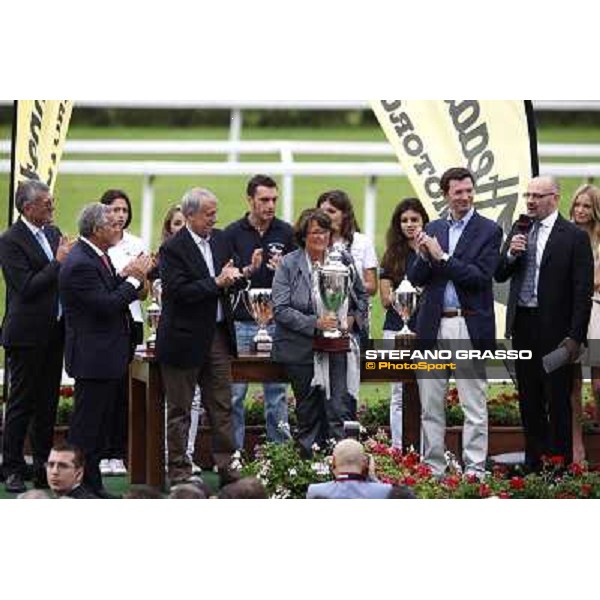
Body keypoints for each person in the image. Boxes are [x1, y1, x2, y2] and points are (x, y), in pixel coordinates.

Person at [408, 167, 502, 478]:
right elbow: (416, 278)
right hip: (432, 325)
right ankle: (434, 469)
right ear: (445, 194)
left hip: (468, 324)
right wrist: (423, 256)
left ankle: (474, 469)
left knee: (472, 404)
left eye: (468, 190)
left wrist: (443, 257)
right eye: (458, 192)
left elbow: (478, 278)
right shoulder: (434, 226)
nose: (464, 197)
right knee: (430, 406)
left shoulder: (489, 230)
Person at [495, 176, 594, 471]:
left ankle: (559, 467)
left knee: (557, 398)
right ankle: (533, 463)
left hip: (557, 332)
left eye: (537, 196)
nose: (530, 201)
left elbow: (582, 291)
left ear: (555, 198)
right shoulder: (520, 228)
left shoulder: (573, 236)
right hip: (523, 325)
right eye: (528, 195)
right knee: (529, 398)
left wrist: (575, 337)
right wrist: (512, 253)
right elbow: (499, 274)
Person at [59, 203, 152, 498]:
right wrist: (135, 278)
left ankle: (93, 483)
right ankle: (77, 487)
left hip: (104, 356)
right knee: (87, 427)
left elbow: (107, 289)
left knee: (98, 427)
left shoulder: (94, 255)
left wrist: (125, 275)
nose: (119, 228)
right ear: (97, 230)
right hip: (93, 358)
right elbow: (107, 304)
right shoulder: (81, 262)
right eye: (113, 225)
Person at [156, 188, 245, 488]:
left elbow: (225, 284)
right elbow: (178, 292)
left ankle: (227, 467)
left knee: (222, 405)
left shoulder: (220, 239)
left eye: (214, 212)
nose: (214, 219)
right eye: (208, 214)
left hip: (218, 336)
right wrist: (216, 282)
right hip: (183, 338)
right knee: (180, 409)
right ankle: (179, 470)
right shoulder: (173, 248)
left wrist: (241, 276)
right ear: (190, 215)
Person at [272, 208, 367, 457]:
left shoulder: (343, 260)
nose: (320, 237)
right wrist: (316, 323)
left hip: (338, 349)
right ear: (303, 235)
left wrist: (350, 318)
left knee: (339, 411)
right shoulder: (288, 264)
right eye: (315, 232)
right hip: (300, 349)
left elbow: (362, 298)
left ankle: (343, 467)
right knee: (308, 413)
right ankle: (307, 467)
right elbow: (280, 310)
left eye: (325, 231)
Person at [0, 180, 73, 494]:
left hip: (55, 332)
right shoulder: (10, 240)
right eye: (47, 203)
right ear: (28, 208)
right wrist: (58, 262)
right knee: (21, 403)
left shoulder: (54, 233)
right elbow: (27, 287)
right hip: (26, 334)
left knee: (47, 404)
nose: (52, 207)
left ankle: (44, 466)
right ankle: (12, 467)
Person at [224, 175, 295, 450]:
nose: (270, 205)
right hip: (241, 322)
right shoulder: (231, 233)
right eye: (264, 200)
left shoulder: (286, 233)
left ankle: (279, 455)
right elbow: (224, 276)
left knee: (277, 392)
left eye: (274, 200)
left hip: (276, 323)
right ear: (250, 200)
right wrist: (246, 272)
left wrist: (284, 271)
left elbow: (299, 276)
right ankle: (234, 455)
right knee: (234, 393)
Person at [99, 189, 149, 476]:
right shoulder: (98, 243)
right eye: (115, 210)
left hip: (131, 322)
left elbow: (142, 292)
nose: (120, 215)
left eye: (124, 210)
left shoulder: (136, 243)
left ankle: (117, 453)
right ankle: (100, 451)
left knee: (124, 389)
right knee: (103, 388)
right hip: (104, 323)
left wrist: (136, 278)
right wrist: (127, 277)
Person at [379, 198, 429, 449]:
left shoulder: (432, 250)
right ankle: (399, 449)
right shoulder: (392, 255)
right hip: (395, 330)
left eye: (414, 220)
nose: (409, 225)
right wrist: (407, 296)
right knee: (398, 392)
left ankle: (424, 449)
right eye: (404, 220)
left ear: (424, 222)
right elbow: (385, 299)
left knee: (428, 391)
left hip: (428, 330)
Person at [317, 189, 378, 341]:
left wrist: (341, 283)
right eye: (321, 211)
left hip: (353, 320)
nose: (325, 215)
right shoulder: (314, 242)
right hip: (320, 318)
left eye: (331, 211)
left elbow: (372, 286)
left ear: (344, 214)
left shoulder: (362, 242)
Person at [569, 184, 600, 462]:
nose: (580, 210)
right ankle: (576, 446)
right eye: (577, 205)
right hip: (569, 313)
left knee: (598, 383)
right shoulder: (565, 234)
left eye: (586, 206)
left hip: (597, 313)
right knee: (573, 382)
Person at [306, 439, 392, 499]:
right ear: (366, 464)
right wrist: (373, 478)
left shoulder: (316, 491)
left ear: (333, 462)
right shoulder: (384, 491)